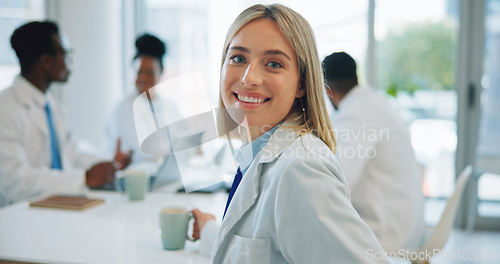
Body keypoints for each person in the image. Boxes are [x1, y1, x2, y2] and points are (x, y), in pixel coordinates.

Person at [190, 4, 388, 263]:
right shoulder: (258, 154)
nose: (249, 78)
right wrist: (209, 232)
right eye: (238, 58)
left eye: (273, 63)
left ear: (302, 84)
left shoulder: (300, 169)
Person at [0, 21, 131, 207]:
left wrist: (109, 163)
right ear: (46, 61)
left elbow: (71, 152)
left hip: (56, 208)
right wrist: (83, 178)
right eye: (66, 53)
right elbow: (14, 181)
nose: (70, 61)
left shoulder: (52, 106)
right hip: (19, 216)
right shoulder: (6, 108)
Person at [322, 51, 427, 253]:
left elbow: (339, 179)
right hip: (404, 220)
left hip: (388, 231)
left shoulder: (356, 114)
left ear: (327, 90)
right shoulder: (370, 103)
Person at [105, 33, 181, 183]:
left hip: (163, 179)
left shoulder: (169, 105)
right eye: (139, 72)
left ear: (160, 73)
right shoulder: (123, 108)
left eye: (150, 72)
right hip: (134, 180)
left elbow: (186, 138)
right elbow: (144, 152)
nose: (143, 78)